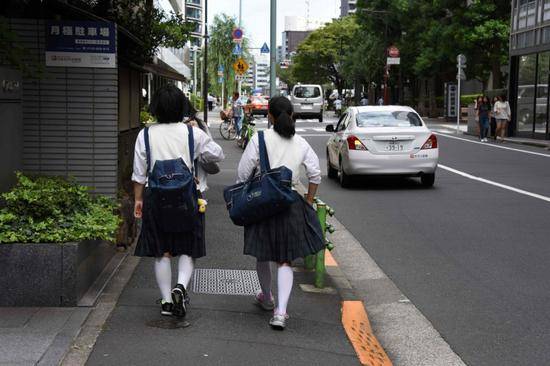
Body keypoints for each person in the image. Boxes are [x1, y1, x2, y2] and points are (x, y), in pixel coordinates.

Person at [132, 85, 224, 318]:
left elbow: (138, 174)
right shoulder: (193, 133)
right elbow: (218, 155)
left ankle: (165, 302)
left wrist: (137, 201)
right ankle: (180, 287)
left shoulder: (145, 135)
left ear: (156, 109)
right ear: (181, 107)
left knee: (161, 250)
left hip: (155, 197)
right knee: (187, 247)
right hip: (188, 196)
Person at [236, 96, 325, 330]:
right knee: (284, 259)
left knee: (262, 254)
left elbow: (243, 174)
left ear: (270, 117)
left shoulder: (259, 139)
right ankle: (281, 312)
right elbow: (315, 175)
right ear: (292, 115)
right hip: (291, 204)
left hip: (263, 203)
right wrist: (308, 199)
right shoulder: (302, 143)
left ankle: (266, 297)